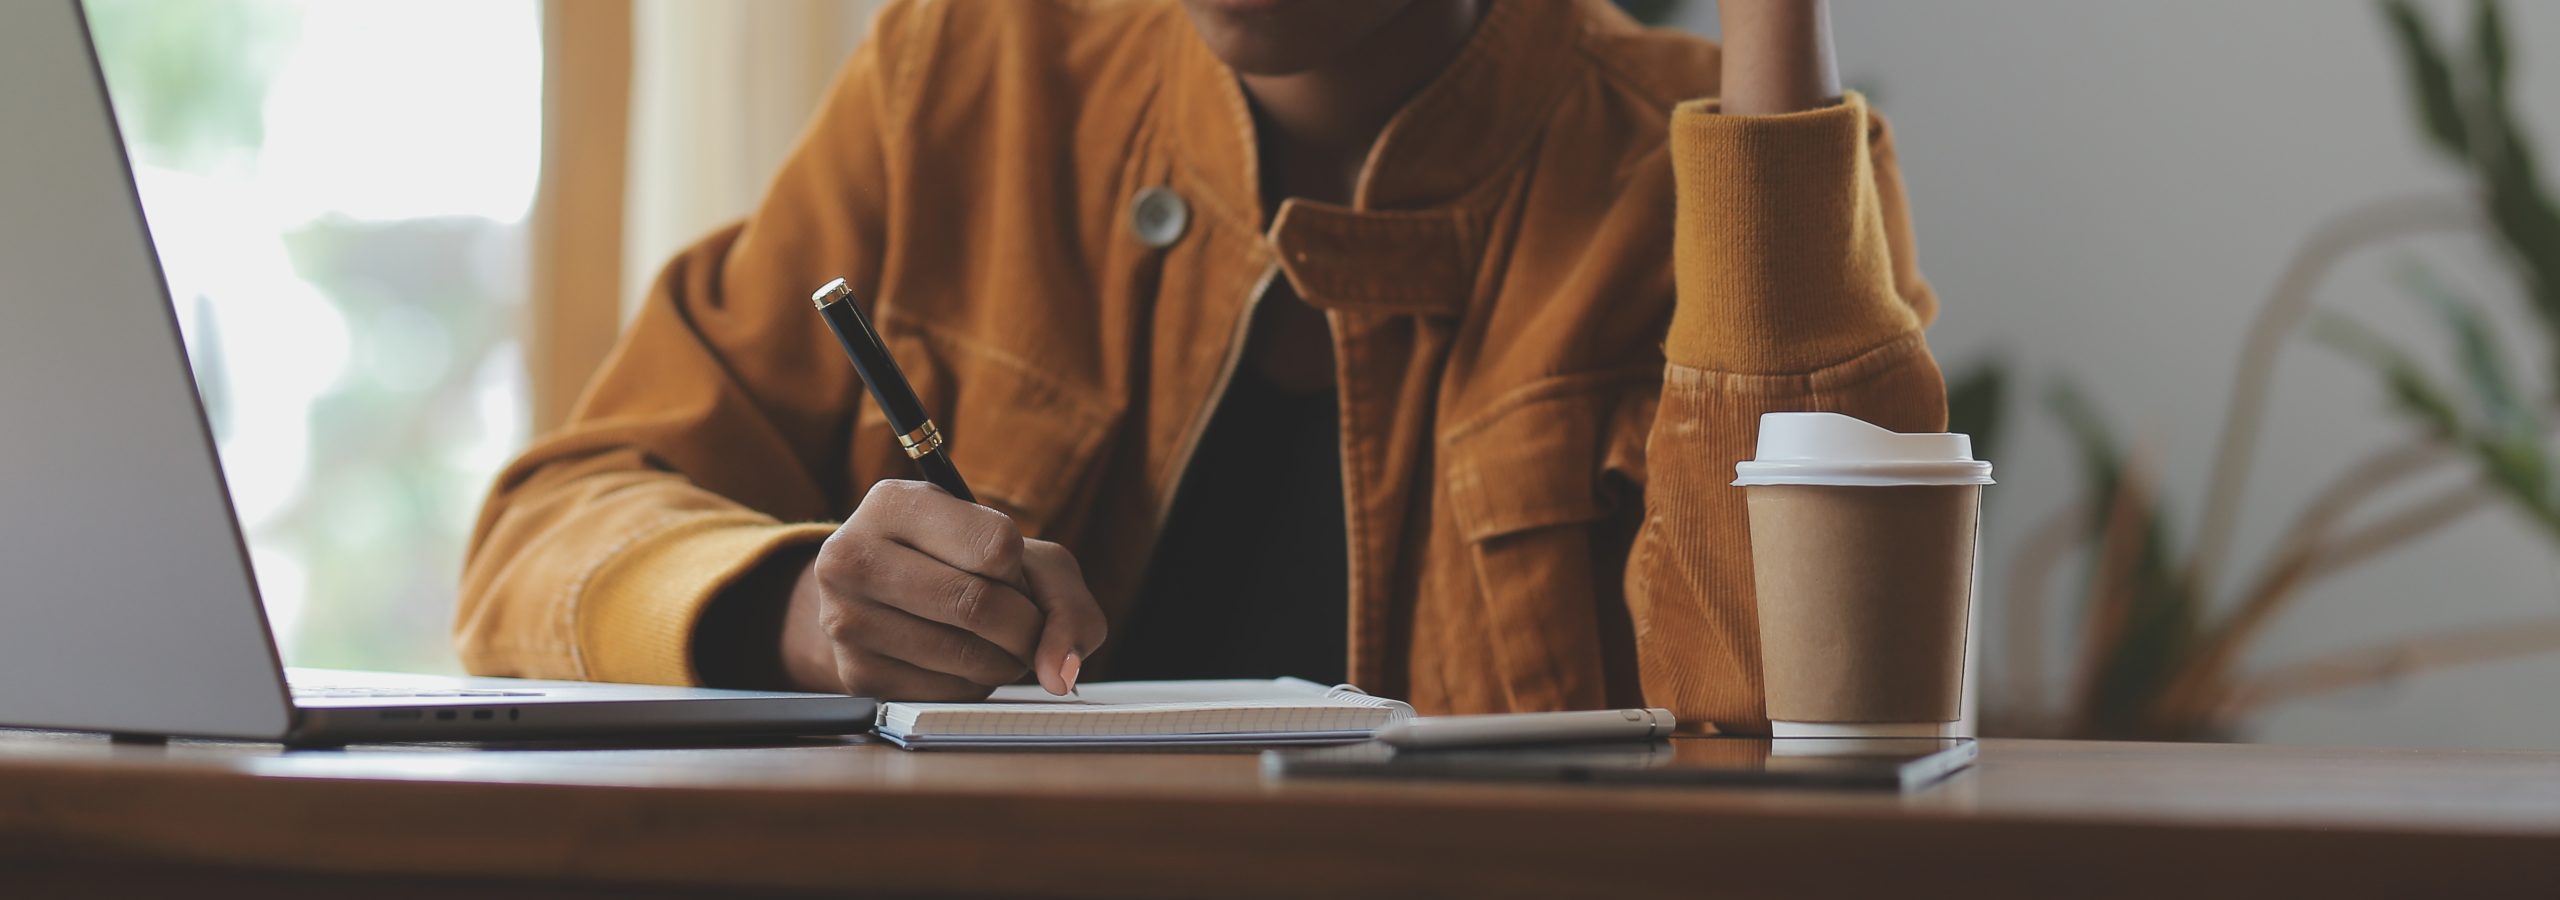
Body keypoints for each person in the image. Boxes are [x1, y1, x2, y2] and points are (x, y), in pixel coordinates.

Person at [458, 0, 1944, 734]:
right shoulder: (975, 74)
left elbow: (1817, 730)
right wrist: (791, 612)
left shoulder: (1734, 165)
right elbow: (553, 527)